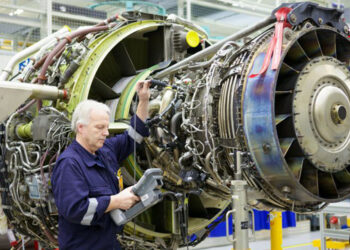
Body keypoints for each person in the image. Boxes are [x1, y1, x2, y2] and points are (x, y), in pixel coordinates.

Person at [51, 80, 151, 250]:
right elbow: (77, 210)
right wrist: (117, 201)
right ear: (81, 128)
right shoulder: (70, 164)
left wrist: (143, 100)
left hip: (109, 244)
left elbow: (135, 135)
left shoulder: (106, 150)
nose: (106, 133)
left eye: (106, 127)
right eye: (99, 127)